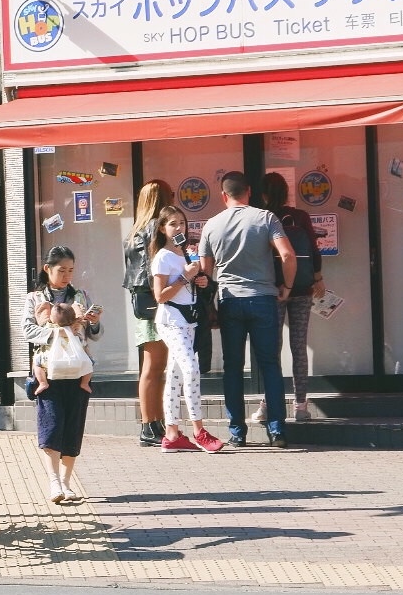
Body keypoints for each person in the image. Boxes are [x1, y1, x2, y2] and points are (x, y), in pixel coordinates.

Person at [197, 171, 297, 447]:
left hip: (230, 301)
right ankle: (277, 431)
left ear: (223, 195)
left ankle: (237, 433)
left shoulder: (211, 225)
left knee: (232, 367)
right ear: (249, 191)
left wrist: (210, 307)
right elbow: (287, 255)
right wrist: (286, 288)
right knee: (270, 366)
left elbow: (205, 274)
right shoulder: (266, 218)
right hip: (264, 298)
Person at [24, 246, 101, 503]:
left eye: (71, 270)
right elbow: (27, 331)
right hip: (49, 369)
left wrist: (94, 321)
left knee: (73, 427)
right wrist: (57, 330)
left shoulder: (80, 296)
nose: (67, 275)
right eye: (61, 270)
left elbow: (96, 335)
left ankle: (67, 483)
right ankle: (54, 482)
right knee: (52, 425)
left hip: (78, 370)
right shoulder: (35, 299)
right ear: (47, 269)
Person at [148, 207, 225, 454]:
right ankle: (198, 430)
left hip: (188, 319)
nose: (178, 228)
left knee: (176, 375)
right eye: (172, 224)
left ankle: (171, 434)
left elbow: (191, 285)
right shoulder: (162, 257)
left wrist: (200, 281)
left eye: (182, 222)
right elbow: (160, 296)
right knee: (191, 369)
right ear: (162, 228)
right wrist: (184, 278)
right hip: (170, 320)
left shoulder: (185, 254)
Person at [262, 172, 326, 424]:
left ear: (264, 194)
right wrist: (318, 278)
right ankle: (301, 406)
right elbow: (313, 249)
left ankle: (268, 403)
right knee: (298, 347)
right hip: (302, 288)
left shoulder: (263, 217)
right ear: (287, 192)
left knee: (272, 348)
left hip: (273, 289)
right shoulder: (300, 217)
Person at [124, 179, 174, 447]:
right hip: (160, 304)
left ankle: (153, 423)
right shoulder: (156, 228)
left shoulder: (134, 232)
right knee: (155, 369)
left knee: (152, 368)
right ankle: (149, 425)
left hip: (142, 304)